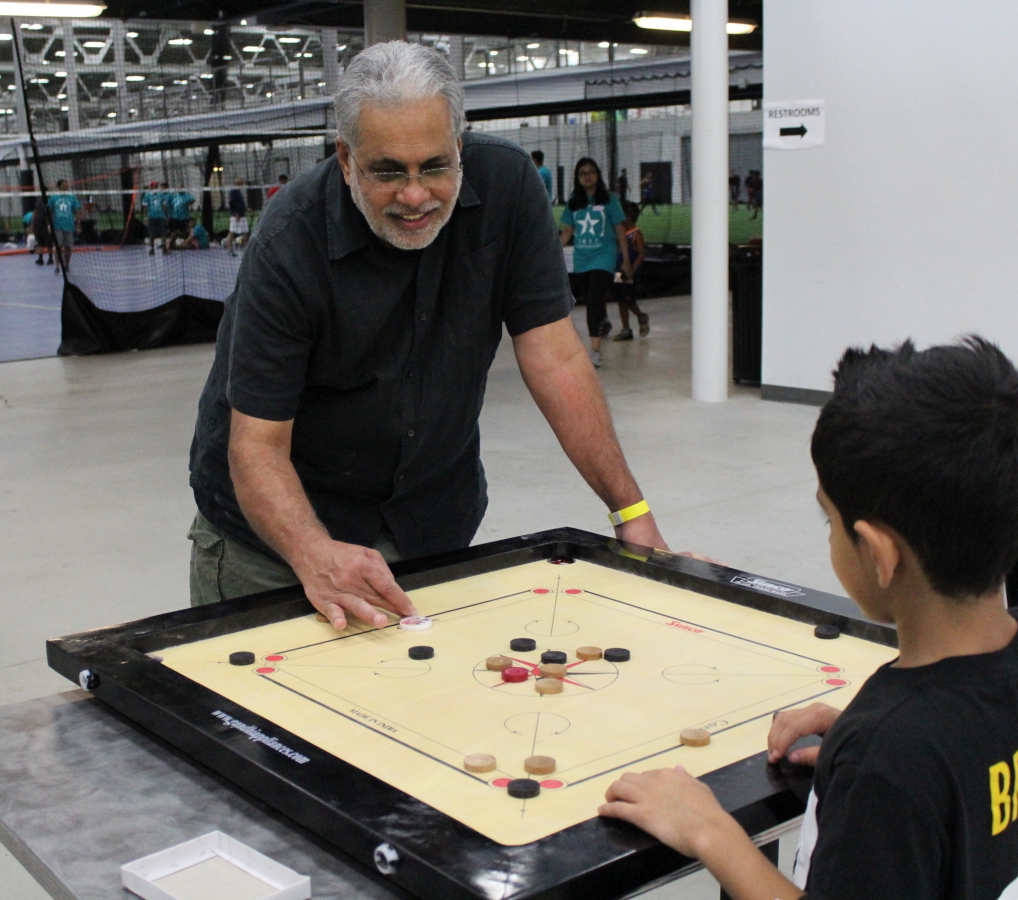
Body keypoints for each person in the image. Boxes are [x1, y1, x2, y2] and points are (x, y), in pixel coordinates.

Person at [188, 41, 669, 625]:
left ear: (459, 147)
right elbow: (256, 446)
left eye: (435, 166)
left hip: (430, 526)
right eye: (388, 171)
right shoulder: (290, 240)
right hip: (277, 547)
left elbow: (557, 358)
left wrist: (631, 511)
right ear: (345, 159)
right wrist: (315, 554)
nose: (415, 196)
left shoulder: (509, 189)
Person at [597, 337, 1018, 900]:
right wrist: (895, 738)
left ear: (879, 555)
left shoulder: (886, 762)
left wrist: (711, 831)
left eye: (828, 520)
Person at [558, 157, 622, 367]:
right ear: (577, 178)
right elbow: (568, 231)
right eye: (583, 173)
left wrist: (626, 260)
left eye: (591, 171)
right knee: (592, 299)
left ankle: (595, 351)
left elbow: (620, 230)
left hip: (604, 256)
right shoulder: (574, 203)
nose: (587, 176)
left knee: (594, 300)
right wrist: (553, 253)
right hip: (581, 259)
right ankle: (602, 322)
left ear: (598, 175)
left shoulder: (609, 200)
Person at [613, 204, 650, 341]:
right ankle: (626, 328)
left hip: (630, 272)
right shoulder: (622, 233)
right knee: (620, 299)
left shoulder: (636, 234)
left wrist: (632, 270)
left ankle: (641, 316)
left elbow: (641, 254)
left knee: (627, 298)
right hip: (620, 271)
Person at [48, 180, 82, 273]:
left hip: (69, 225)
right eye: (63, 185)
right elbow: (49, 212)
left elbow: (77, 211)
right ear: (59, 186)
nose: (66, 186)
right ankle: (58, 266)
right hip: (57, 226)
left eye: (67, 184)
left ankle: (67, 265)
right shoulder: (53, 198)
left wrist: (78, 225)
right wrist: (49, 225)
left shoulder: (72, 198)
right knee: (58, 246)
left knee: (68, 247)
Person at [142, 181, 168, 255]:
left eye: (156, 185)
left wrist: (166, 216)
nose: (155, 187)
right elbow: (145, 207)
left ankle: (164, 248)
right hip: (152, 217)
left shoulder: (161, 194)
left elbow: (164, 206)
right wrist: (146, 217)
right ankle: (152, 249)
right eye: (154, 186)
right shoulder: (147, 195)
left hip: (161, 216)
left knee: (163, 233)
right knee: (151, 234)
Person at [224, 177, 249, 255]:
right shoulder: (233, 191)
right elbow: (232, 203)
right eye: (241, 182)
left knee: (245, 232)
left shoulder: (239, 192)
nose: (242, 184)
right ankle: (230, 250)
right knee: (232, 232)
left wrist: (247, 208)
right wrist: (236, 213)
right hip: (235, 216)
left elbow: (240, 203)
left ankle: (246, 250)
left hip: (242, 215)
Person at [31, 195, 53, 267]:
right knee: (39, 242)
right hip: (38, 224)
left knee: (49, 242)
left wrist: (49, 225)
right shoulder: (38, 201)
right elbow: (35, 212)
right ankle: (40, 258)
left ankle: (50, 258)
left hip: (46, 224)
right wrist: (33, 223)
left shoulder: (50, 201)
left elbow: (51, 213)